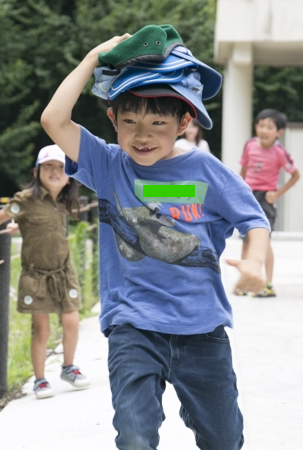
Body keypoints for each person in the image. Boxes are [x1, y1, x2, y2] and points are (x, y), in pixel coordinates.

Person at [40, 24, 270, 449]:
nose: (142, 135)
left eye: (157, 122)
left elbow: (253, 220)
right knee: (134, 435)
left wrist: (255, 261)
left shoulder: (206, 170)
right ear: (112, 118)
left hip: (202, 329)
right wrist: (93, 58)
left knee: (224, 439)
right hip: (134, 327)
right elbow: (54, 120)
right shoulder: (109, 166)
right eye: (129, 121)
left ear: (184, 122)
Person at [0, 145, 90, 399]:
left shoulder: (64, 202)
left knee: (71, 321)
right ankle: (40, 380)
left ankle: (68, 367)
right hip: (36, 275)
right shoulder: (26, 201)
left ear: (69, 175)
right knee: (41, 329)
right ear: (37, 171)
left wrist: (21, 228)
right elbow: (1, 216)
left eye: (61, 168)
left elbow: (43, 225)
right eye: (48, 167)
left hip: (64, 272)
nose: (55, 172)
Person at [236, 108, 300, 297]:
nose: (264, 130)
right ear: (256, 127)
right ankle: (244, 283)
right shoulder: (249, 145)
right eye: (261, 125)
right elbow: (243, 170)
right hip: (248, 196)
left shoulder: (280, 152)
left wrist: (277, 194)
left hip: (266, 198)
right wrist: (238, 192)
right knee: (245, 240)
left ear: (279, 132)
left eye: (269, 127)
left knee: (264, 242)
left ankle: (268, 284)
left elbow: (295, 175)